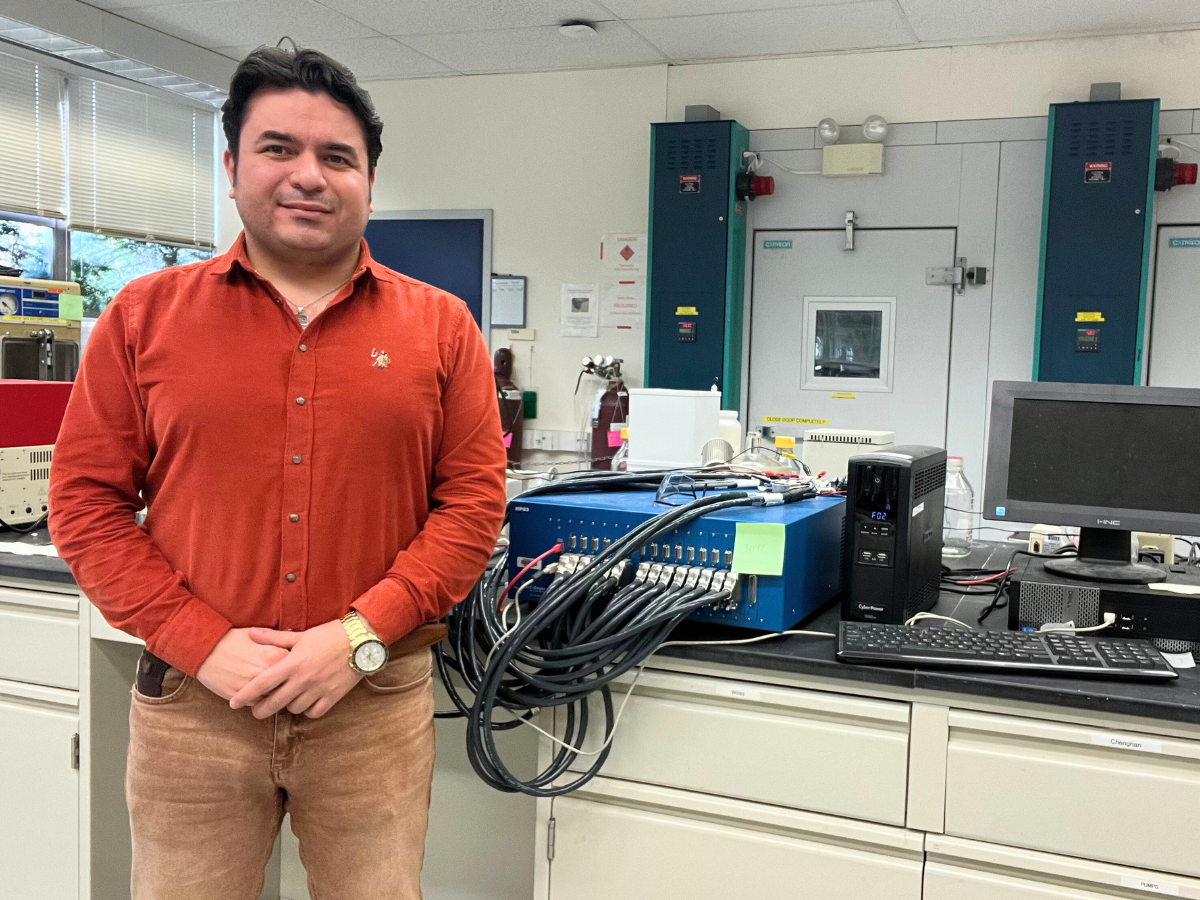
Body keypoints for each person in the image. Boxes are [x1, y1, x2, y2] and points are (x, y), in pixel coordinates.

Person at [48, 47, 507, 900]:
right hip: (194, 710)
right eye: (278, 149)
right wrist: (202, 643)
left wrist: (360, 636)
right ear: (230, 166)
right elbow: (85, 505)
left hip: (371, 706)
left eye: (338, 157)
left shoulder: (442, 329)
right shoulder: (143, 319)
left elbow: (472, 510)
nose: (309, 176)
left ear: (369, 180)